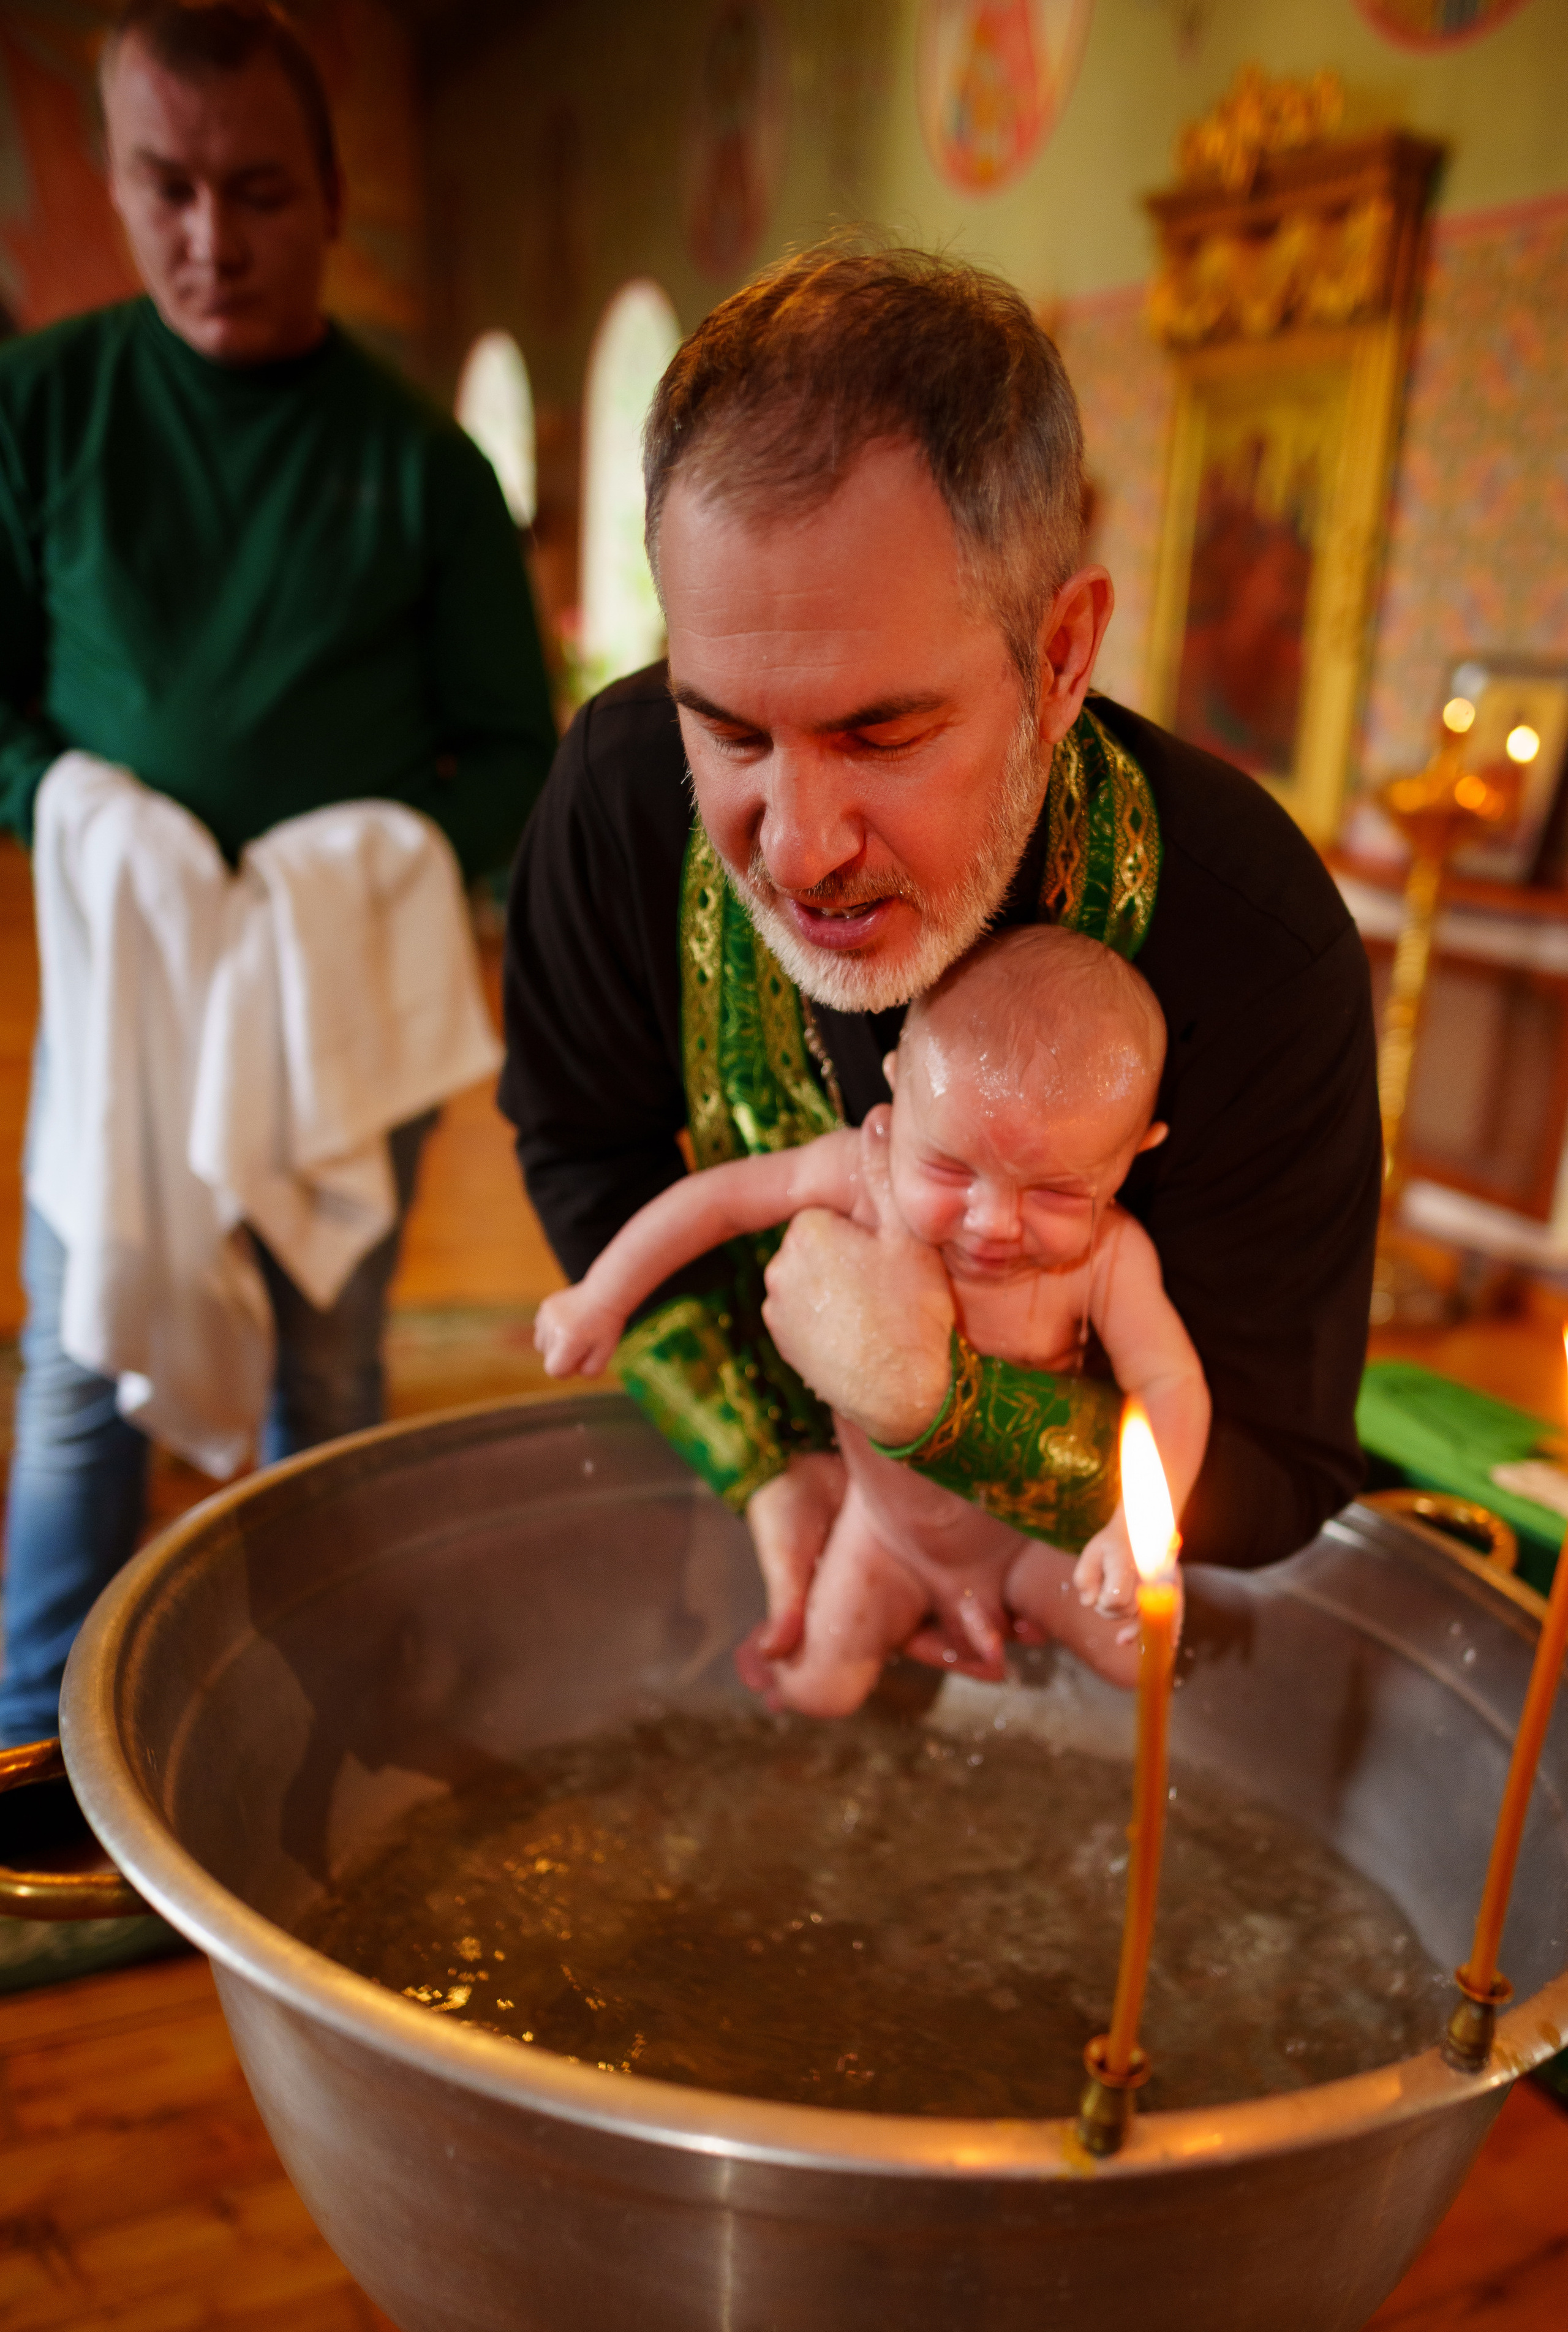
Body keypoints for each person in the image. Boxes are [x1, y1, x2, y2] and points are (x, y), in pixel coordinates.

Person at [501, 241, 1380, 1669]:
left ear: (1057, 656)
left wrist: (939, 1412)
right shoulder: (614, 793)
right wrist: (772, 1470)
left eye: (881, 732)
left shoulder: (1253, 949)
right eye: (726, 727)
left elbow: (1277, 1463)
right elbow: (586, 1145)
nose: (790, 847)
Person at [0, 0, 556, 1747]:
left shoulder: (425, 469)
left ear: (331, 199)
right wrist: (79, 805)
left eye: (257, 192)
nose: (211, 239)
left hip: (343, 1002)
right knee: (82, 1364)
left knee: (329, 1375)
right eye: (167, 188)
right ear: (115, 178)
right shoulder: (42, 406)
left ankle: (303, 1736)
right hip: (119, 978)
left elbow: (516, 759)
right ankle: (27, 1749)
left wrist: (362, 861)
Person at [535, 926, 1209, 1713]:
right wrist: (603, 1295)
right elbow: (719, 1200)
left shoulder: (1110, 1259)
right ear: (894, 1098)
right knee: (819, 1689)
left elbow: (1171, 1383)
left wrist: (1136, 1535)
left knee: (1143, 1660)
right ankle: (777, 1740)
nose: (991, 1223)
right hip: (881, 1533)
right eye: (949, 1168)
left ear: (1135, 1154)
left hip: (1026, 1545)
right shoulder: (859, 1171)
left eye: (1057, 1193)